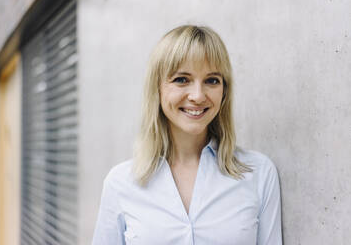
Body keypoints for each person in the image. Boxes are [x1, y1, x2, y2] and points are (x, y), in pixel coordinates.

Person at [92, 25, 282, 245]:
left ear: (224, 92)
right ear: (158, 89)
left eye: (212, 80)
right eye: (182, 79)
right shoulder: (121, 182)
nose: (198, 96)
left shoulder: (259, 173)